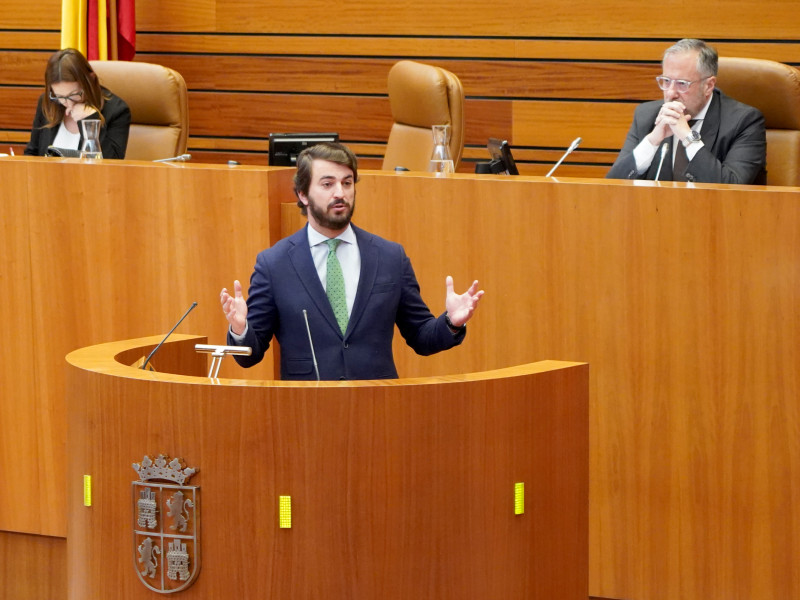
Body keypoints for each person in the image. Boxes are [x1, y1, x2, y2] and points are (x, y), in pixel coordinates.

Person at [220, 142, 484, 381]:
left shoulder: (389, 257)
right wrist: (240, 328)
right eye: (327, 184)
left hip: (377, 406)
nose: (340, 193)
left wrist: (451, 321)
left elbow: (421, 337)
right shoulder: (274, 264)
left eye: (347, 183)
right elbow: (249, 356)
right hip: (305, 411)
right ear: (302, 194)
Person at [606, 39, 766, 184]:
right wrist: (653, 140)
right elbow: (612, 186)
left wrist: (688, 138)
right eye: (666, 81)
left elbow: (732, 188)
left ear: (708, 86)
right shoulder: (646, 115)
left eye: (682, 84)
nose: (670, 93)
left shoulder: (744, 121)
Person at [24, 48, 130, 158]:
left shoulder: (117, 110)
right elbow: (32, 153)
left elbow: (112, 163)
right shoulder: (48, 103)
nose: (68, 103)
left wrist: (91, 121)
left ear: (90, 81)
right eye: (60, 97)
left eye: (74, 94)